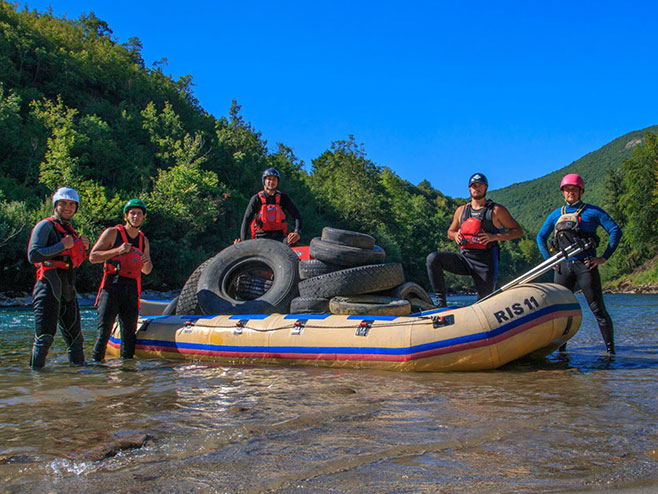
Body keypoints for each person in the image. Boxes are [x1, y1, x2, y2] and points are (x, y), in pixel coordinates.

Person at [537, 173, 622, 355]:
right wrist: (549, 261)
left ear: (581, 191)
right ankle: (562, 353)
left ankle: (610, 352)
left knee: (597, 309)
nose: (570, 193)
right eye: (567, 190)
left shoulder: (593, 212)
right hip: (562, 269)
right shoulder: (555, 215)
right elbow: (540, 237)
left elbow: (615, 230)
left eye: (574, 190)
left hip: (586, 266)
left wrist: (603, 258)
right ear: (563, 192)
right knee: (561, 313)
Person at [426, 173, 523, 307]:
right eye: (474, 186)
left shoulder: (496, 210)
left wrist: (495, 237)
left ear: (486, 188)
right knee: (433, 258)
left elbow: (517, 231)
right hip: (465, 259)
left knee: (484, 304)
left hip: (486, 263)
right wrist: (455, 236)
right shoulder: (461, 210)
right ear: (469, 188)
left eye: (480, 185)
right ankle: (441, 305)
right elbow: (450, 232)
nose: (477, 188)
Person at [27, 187, 90, 368]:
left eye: (71, 204)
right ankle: (36, 383)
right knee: (44, 338)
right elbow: (33, 255)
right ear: (56, 205)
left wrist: (81, 246)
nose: (67, 207)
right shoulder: (44, 226)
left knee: (76, 339)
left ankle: (79, 381)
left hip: (68, 289)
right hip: (48, 287)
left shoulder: (69, 230)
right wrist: (61, 246)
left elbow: (73, 261)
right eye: (63, 203)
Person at [89, 199, 152, 361]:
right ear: (126, 216)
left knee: (129, 334)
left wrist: (146, 261)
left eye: (139, 214)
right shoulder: (112, 233)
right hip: (111, 287)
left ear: (143, 217)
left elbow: (147, 271)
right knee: (104, 331)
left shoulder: (143, 240)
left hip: (131, 290)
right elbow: (93, 256)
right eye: (132, 213)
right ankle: (97, 369)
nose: (135, 216)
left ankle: (128, 375)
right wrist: (118, 250)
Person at [236, 168, 302, 244]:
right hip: (260, 237)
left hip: (279, 237)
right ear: (264, 181)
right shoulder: (256, 199)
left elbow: (297, 215)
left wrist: (297, 232)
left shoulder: (283, 198)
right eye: (269, 179)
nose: (272, 182)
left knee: (291, 242)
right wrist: (243, 240)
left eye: (274, 179)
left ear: (277, 182)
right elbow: (246, 220)